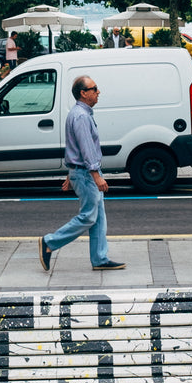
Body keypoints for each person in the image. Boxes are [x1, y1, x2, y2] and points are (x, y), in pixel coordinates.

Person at [39, 75, 125, 273]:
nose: (98, 92)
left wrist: (71, 175)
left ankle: (100, 258)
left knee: (99, 218)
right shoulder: (81, 116)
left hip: (82, 172)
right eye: (94, 88)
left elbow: (74, 147)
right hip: (87, 174)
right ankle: (49, 242)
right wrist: (96, 176)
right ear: (83, 93)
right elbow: (86, 149)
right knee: (88, 217)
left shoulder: (80, 113)